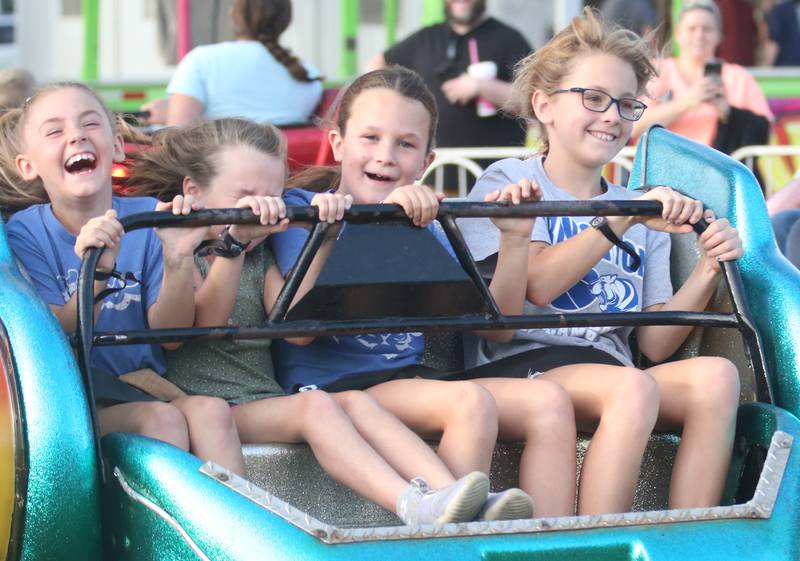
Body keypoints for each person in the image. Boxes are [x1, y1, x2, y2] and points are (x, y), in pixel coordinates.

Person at [125, 117, 512, 526]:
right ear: (194, 192)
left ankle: (451, 493)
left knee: (356, 402)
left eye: (272, 196)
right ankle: (408, 502)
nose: (262, 208)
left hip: (261, 400)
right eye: (246, 196)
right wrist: (231, 245)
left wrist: (323, 236)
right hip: (208, 402)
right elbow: (195, 325)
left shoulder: (261, 256)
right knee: (316, 406)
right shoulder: (178, 249)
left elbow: (295, 325)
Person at [459, 8, 743, 515]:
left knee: (717, 377)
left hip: (610, 368)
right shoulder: (510, 182)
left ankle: (686, 538)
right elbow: (539, 285)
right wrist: (620, 220)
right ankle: (595, 539)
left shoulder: (635, 208)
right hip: (524, 366)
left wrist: (707, 268)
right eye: (593, 98)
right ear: (544, 105)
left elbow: (654, 342)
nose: (612, 115)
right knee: (631, 388)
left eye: (627, 104)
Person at [272, 66, 579, 519]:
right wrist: (367, 228)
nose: (386, 156)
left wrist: (515, 238)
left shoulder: (424, 223)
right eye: (370, 138)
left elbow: (497, 326)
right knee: (469, 402)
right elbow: (297, 332)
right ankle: (449, 532)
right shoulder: (303, 214)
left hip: (403, 382)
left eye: (405, 144)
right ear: (339, 144)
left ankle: (553, 547)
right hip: (334, 388)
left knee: (549, 401)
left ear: (426, 162)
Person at [0, 82, 246, 475]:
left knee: (212, 411)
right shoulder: (24, 234)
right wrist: (97, 271)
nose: (76, 135)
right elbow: (51, 338)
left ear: (115, 146)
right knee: (162, 421)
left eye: (89, 124)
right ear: (28, 166)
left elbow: (173, 334)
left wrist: (178, 257)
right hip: (74, 401)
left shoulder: (147, 216)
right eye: (55, 131)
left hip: (140, 384)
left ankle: (239, 530)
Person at [366, 0, 531, 191]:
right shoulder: (426, 38)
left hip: (497, 187)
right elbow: (376, 65)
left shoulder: (509, 39)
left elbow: (532, 98)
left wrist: (481, 87)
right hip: (431, 183)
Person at [144, 0, 322, 127]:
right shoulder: (309, 77)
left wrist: (169, 115)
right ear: (287, 21)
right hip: (291, 177)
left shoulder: (201, 61)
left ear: (233, 14)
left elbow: (175, 141)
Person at [633, 0, 773, 155]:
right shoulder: (656, 71)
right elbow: (632, 125)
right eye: (692, 28)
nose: (699, 35)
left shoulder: (738, 77)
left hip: (720, 173)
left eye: (707, 29)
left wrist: (727, 111)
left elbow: (764, 132)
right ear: (678, 33)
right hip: (664, 171)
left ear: (719, 36)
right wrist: (688, 102)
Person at [765, 0, 800, 66]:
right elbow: (773, 41)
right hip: (787, 67)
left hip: (787, 66)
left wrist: (767, 70)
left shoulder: (780, 10)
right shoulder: (780, 10)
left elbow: (773, 42)